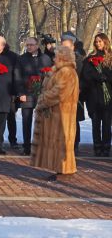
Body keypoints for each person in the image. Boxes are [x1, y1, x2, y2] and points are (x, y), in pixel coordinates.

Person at [31, 46, 79, 180]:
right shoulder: (58, 71)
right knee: (57, 143)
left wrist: (42, 99)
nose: (54, 58)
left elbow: (59, 92)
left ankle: (66, 170)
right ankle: (60, 169)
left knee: (63, 143)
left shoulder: (67, 72)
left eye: (56, 56)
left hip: (63, 115)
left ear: (63, 57)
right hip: (56, 113)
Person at [13, 37, 53, 155]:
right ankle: (26, 146)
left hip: (42, 94)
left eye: (31, 45)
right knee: (26, 120)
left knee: (43, 120)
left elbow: (50, 76)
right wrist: (21, 93)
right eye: (27, 45)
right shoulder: (21, 59)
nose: (29, 47)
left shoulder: (45, 58)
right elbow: (17, 77)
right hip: (27, 93)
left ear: (37, 45)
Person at [81, 33, 112, 156]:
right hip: (93, 95)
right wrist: (97, 76)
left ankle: (106, 146)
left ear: (105, 42)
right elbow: (85, 75)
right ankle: (97, 146)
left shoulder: (110, 57)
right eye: (96, 41)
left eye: (100, 41)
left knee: (106, 123)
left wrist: (106, 77)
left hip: (108, 95)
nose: (98, 43)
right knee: (95, 122)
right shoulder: (90, 58)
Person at [60, 31, 85, 152]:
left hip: (75, 93)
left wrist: (78, 88)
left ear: (73, 46)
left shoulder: (79, 59)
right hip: (61, 93)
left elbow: (82, 76)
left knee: (74, 120)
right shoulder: (58, 58)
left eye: (67, 45)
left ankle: (74, 143)